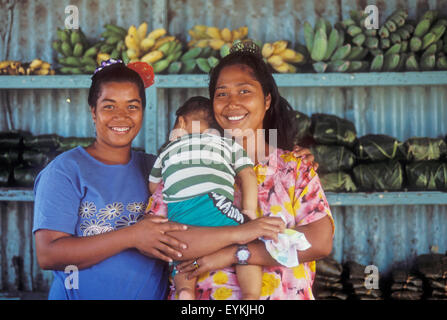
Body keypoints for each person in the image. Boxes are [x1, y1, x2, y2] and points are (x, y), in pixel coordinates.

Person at [32, 59, 287, 300]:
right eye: (109, 106)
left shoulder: (155, 166)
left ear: (143, 111)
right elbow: (49, 254)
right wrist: (131, 236)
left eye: (132, 106)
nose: (121, 116)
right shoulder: (66, 170)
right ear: (93, 112)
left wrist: (295, 156)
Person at [147, 42, 335, 300]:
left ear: (267, 99)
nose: (232, 103)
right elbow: (162, 240)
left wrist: (236, 253)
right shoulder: (185, 162)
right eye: (222, 94)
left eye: (244, 91)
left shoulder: (294, 168)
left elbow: (319, 241)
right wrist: (241, 233)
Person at [148, 95, 272, 300]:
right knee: (248, 245)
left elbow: (153, 186)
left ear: (180, 122)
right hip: (215, 208)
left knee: (181, 261)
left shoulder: (167, 150)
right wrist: (248, 211)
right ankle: (250, 295)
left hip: (179, 224)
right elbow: (247, 174)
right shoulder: (226, 144)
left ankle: (185, 292)